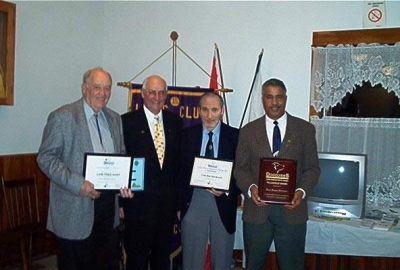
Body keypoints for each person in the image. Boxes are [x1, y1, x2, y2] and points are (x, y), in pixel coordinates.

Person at [37, 67, 127, 270]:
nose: (102, 93)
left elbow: (121, 155)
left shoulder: (115, 118)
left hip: (107, 209)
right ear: (84, 88)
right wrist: (78, 184)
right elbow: (45, 158)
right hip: (75, 208)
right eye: (97, 87)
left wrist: (125, 183)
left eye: (107, 88)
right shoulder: (63, 117)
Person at [234, 78, 320, 270]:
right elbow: (240, 168)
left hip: (292, 212)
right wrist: (251, 189)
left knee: (292, 266)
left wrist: (301, 192)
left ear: (286, 98)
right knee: (253, 265)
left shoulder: (305, 130)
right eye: (269, 97)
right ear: (262, 99)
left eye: (279, 97)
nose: (275, 102)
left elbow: (312, 168)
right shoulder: (248, 131)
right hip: (257, 213)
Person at [119, 75, 182, 270]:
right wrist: (120, 202)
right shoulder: (126, 122)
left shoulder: (175, 122)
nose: (157, 96)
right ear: (143, 94)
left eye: (161, 92)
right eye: (152, 92)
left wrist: (179, 203)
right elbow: (121, 160)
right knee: (136, 260)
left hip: (166, 208)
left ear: (166, 95)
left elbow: (178, 165)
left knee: (162, 260)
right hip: (136, 206)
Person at [179, 92, 240, 269]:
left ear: (222, 111)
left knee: (222, 260)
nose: (209, 115)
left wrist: (227, 189)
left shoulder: (235, 136)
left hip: (223, 201)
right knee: (191, 260)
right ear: (199, 111)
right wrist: (177, 205)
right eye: (205, 110)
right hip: (193, 200)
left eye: (214, 110)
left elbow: (242, 171)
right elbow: (179, 172)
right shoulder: (186, 135)